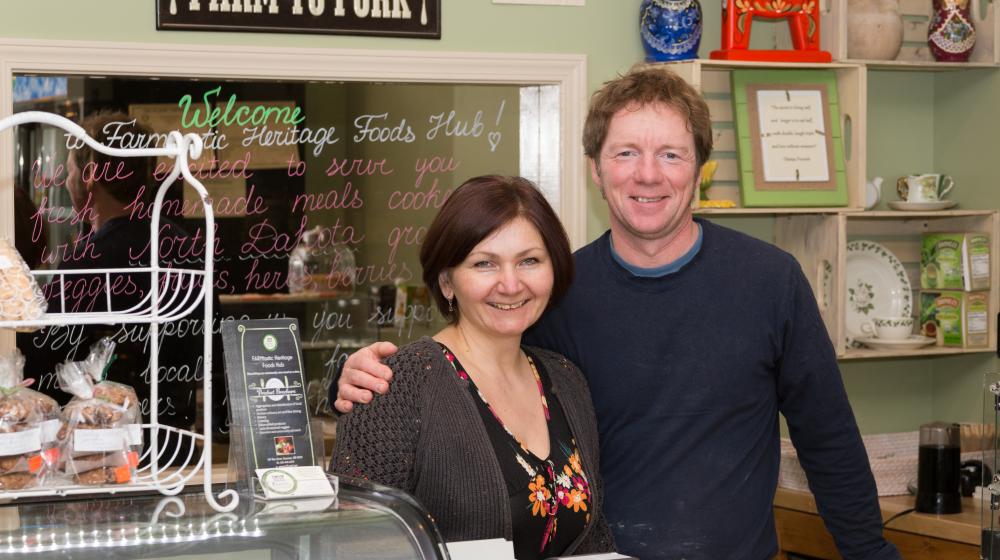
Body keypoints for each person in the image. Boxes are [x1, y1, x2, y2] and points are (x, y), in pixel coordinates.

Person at [335, 68, 900, 560]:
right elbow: (470, 359)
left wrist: (871, 554)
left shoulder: (771, 280)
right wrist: (363, 376)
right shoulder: (558, 294)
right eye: (626, 153)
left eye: (670, 154)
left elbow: (829, 440)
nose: (647, 175)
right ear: (595, 169)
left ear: (701, 167)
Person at [329, 175, 615, 559]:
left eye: (529, 260)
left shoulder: (565, 379)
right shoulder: (394, 385)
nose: (510, 284)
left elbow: (592, 538)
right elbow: (351, 546)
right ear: (447, 281)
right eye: (484, 264)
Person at [17, 111, 217, 439]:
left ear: (90, 174)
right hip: (179, 436)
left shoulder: (89, 260)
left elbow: (41, 352)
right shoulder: (186, 246)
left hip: (102, 442)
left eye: (69, 172)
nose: (67, 183)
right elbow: (210, 340)